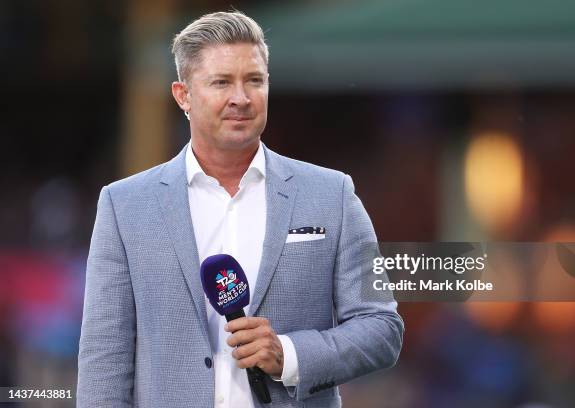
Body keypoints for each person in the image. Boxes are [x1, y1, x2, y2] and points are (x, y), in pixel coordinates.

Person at [77, 11, 403, 408]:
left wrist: (289, 355)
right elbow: (104, 361)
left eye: (254, 80)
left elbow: (382, 328)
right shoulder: (124, 205)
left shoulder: (332, 193)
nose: (241, 98)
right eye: (221, 82)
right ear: (183, 95)